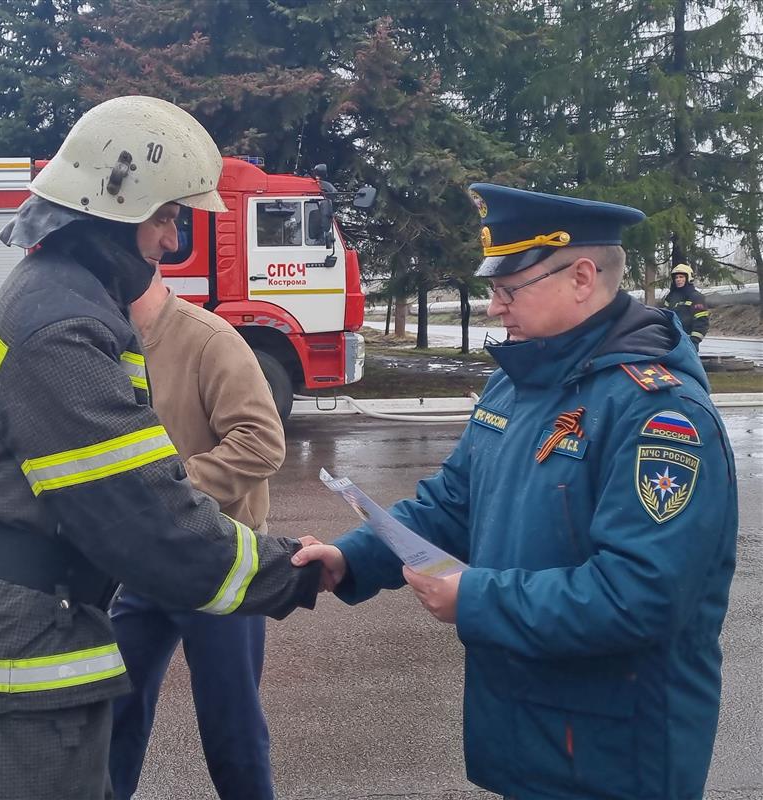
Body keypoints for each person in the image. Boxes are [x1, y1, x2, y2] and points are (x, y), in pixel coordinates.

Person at [0, 95, 321, 800]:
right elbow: (136, 516)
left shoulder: (46, 297)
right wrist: (294, 571)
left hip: (15, 617)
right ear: (117, 211)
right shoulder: (62, 325)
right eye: (166, 217)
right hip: (14, 643)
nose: (170, 240)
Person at [294, 184, 738, 800]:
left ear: (582, 277)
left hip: (614, 749)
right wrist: (351, 557)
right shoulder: (520, 384)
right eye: (493, 290)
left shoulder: (657, 413)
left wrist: (474, 598)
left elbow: (642, 594)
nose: (494, 308)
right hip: (528, 725)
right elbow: (452, 502)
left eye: (509, 289)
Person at [109, 228, 286, 800]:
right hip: (144, 565)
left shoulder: (211, 340)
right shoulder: (112, 345)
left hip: (219, 562)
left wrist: (172, 491)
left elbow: (262, 442)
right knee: (114, 711)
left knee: (230, 728)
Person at [662, 263, 709, 350]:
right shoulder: (670, 297)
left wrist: (694, 340)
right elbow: (664, 317)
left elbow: (701, 322)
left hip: (687, 342)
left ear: (688, 278)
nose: (678, 280)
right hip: (669, 341)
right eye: (676, 277)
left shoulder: (696, 297)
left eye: (681, 277)